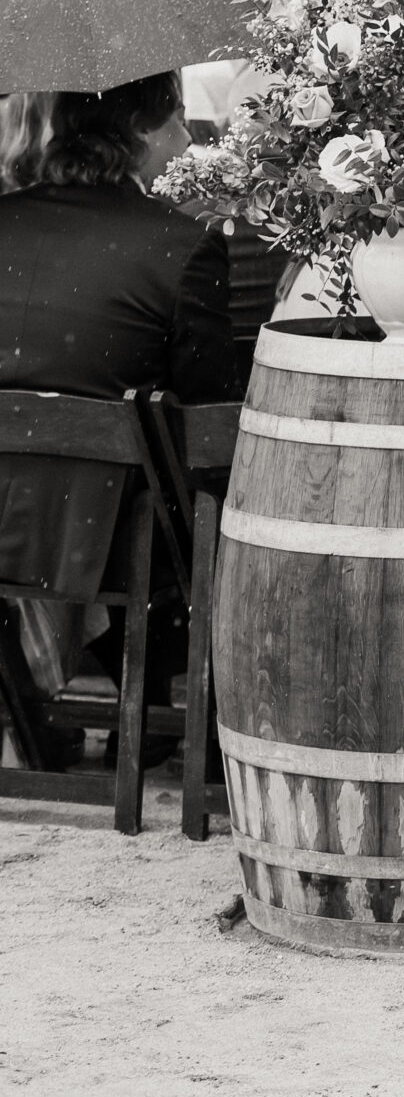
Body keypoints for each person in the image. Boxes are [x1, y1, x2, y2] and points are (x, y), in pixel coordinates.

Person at [0, 75, 237, 704]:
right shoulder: (182, 246)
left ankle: (51, 720)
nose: (188, 138)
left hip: (11, 522)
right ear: (140, 131)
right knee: (196, 496)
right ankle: (164, 715)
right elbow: (210, 414)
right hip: (102, 540)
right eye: (179, 121)